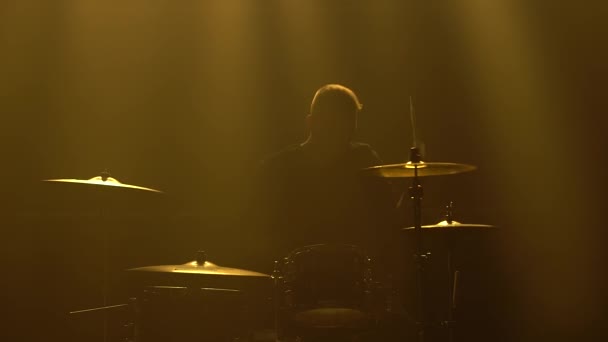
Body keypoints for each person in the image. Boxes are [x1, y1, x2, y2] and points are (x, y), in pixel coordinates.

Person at [251, 84, 400, 276]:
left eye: (347, 126)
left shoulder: (363, 159)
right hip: (297, 277)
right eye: (333, 125)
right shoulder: (279, 168)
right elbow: (259, 233)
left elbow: (388, 217)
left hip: (352, 275)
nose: (342, 133)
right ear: (311, 123)